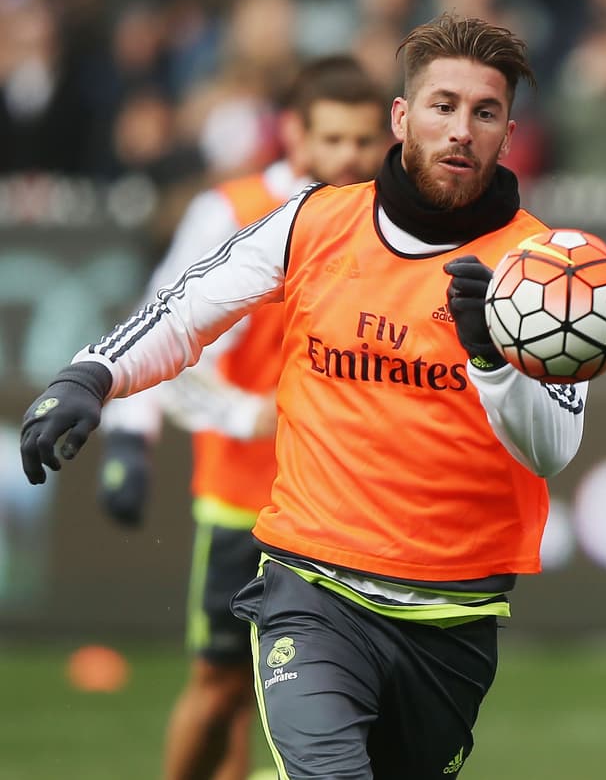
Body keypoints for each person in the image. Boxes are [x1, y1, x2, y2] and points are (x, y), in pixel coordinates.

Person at [20, 13, 589, 779]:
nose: (461, 129)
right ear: (402, 116)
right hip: (311, 586)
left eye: (483, 112)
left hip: (452, 611)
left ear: (508, 132)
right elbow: (183, 310)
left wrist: (487, 353)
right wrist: (89, 375)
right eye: (442, 105)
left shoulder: (542, 268)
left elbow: (551, 449)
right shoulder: (315, 219)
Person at [94, 54, 388, 780]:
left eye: (363, 140)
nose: (349, 157)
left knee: (350, 696)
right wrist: (134, 439)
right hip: (243, 497)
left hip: (348, 508)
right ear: (294, 134)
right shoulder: (231, 212)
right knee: (222, 686)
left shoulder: (392, 225)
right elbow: (166, 332)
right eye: (333, 139)